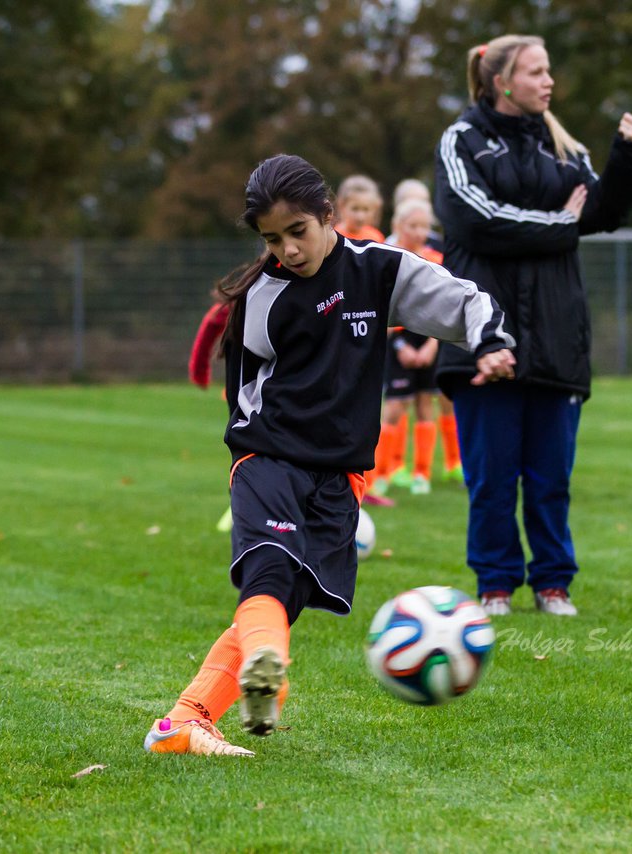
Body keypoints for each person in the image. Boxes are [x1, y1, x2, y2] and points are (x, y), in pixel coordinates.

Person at [146, 154, 515, 757]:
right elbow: (243, 394)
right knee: (269, 568)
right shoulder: (263, 298)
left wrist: (490, 343)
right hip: (268, 457)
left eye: (298, 231)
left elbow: (463, 300)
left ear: (329, 215)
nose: (288, 249)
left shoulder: (378, 272)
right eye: (272, 238)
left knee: (286, 596)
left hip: (342, 472)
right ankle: (266, 671)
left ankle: (182, 722)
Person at [433, 34, 632, 618]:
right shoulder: (462, 140)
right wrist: (561, 224)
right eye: (536, 71)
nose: (548, 81)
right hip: (485, 339)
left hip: (557, 338)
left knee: (552, 479)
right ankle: (496, 585)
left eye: (548, 70)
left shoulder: (564, 146)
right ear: (501, 81)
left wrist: (628, 154)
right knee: (492, 481)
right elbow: (478, 222)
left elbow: (603, 214)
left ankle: (553, 584)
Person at [371, 198, 462, 496]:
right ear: (398, 227)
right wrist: (399, 344)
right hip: (399, 342)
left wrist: (432, 345)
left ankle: (422, 473)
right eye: (413, 226)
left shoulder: (436, 259)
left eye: (425, 226)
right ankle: (380, 473)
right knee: (396, 406)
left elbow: (444, 306)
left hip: (429, 342)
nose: (420, 232)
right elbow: (382, 308)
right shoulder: (389, 258)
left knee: (427, 404)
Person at [333, 174, 386, 242]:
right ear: (341, 205)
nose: (360, 217)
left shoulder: (376, 238)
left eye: (366, 209)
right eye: (355, 209)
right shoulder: (334, 237)